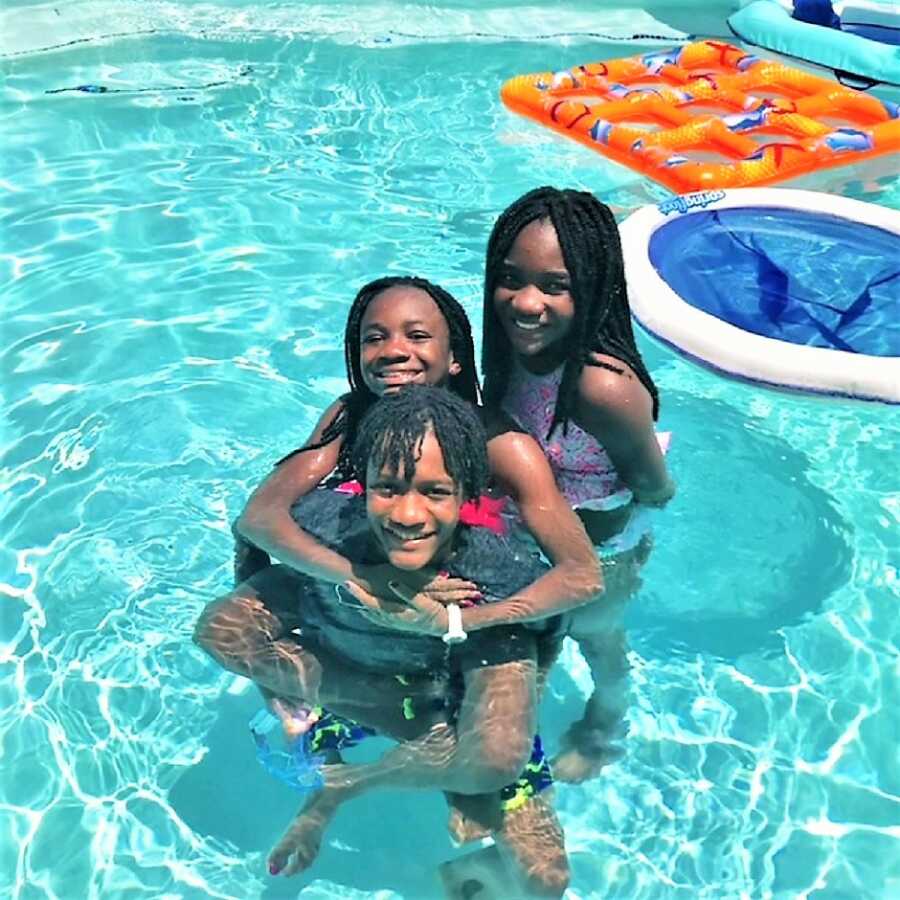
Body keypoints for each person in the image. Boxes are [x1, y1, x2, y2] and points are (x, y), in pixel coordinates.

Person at [195, 387, 569, 896]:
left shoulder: (496, 571)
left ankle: (344, 791)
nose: (407, 515)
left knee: (543, 879)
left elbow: (549, 629)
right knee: (219, 630)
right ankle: (401, 765)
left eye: (435, 492)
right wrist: (281, 672)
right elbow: (251, 533)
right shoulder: (326, 523)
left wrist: (507, 705)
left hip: (447, 705)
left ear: (467, 494)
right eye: (387, 488)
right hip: (350, 694)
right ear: (362, 483)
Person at [228, 274, 610, 735]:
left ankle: (437, 721)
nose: (392, 350)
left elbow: (581, 574)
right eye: (375, 338)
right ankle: (377, 706)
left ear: (453, 359)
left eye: (417, 336)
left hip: (464, 617)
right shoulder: (350, 417)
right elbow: (258, 518)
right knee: (226, 632)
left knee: (493, 759)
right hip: (365, 609)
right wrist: (370, 580)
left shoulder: (500, 444)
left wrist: (454, 621)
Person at [480, 186, 676, 782]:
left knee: (598, 638)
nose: (526, 302)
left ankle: (605, 719)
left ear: (592, 289)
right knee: (528, 643)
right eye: (511, 278)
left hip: (598, 554)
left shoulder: (602, 389)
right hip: (533, 536)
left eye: (554, 286)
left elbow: (654, 487)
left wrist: (624, 554)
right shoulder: (514, 350)